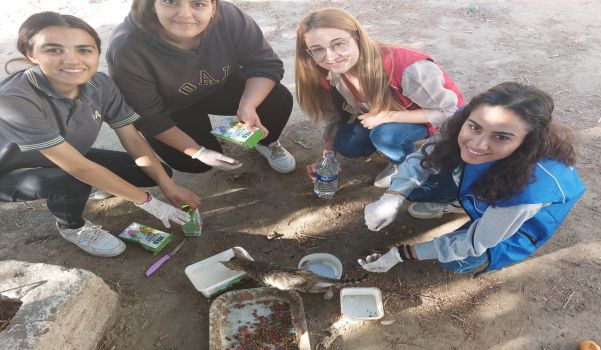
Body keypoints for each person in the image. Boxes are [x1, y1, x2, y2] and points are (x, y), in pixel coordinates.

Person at [0, 12, 200, 257]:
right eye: (54, 50)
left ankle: (102, 185)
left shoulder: (101, 84)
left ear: (96, 52)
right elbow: (78, 168)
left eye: (84, 50)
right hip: (8, 170)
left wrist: (168, 186)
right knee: (71, 181)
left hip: (66, 155)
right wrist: (149, 203)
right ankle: (72, 226)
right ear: (31, 54)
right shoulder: (14, 100)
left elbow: (132, 137)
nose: (72, 60)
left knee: (158, 172)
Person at [359, 82, 585, 274]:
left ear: (526, 143)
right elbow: (424, 156)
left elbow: (476, 242)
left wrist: (400, 254)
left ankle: (472, 209)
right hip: (485, 181)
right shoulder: (468, 119)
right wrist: (393, 197)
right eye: (475, 127)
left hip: (520, 223)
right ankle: (462, 203)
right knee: (416, 188)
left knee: (454, 261)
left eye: (501, 136)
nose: (477, 144)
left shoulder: (530, 190)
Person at [106, 0, 296, 174]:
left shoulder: (229, 16)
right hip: (170, 108)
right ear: (151, 5)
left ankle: (263, 142)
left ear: (213, 7)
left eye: (198, 3)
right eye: (171, 1)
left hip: (218, 85)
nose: (185, 14)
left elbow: (265, 64)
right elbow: (148, 117)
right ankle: (205, 140)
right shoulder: (126, 48)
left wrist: (247, 105)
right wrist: (199, 152)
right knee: (194, 163)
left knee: (277, 100)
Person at [295, 8, 463, 188]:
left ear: (357, 37)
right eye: (317, 49)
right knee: (346, 144)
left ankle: (402, 163)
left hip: (427, 116)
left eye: (338, 44)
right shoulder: (325, 72)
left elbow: (451, 112)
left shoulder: (407, 67)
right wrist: (327, 154)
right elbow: (333, 116)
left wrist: (386, 117)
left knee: (385, 136)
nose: (329, 57)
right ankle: (389, 146)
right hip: (376, 115)